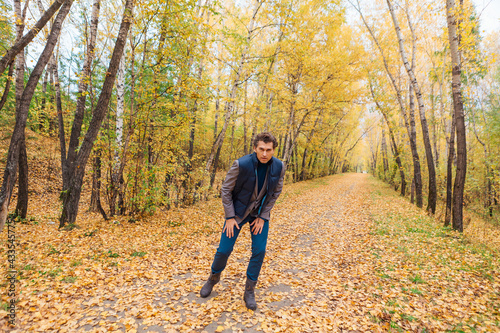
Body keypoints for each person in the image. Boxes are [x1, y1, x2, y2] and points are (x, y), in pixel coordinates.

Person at [200, 132, 286, 310]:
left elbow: (275, 193)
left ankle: (249, 291)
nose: (264, 154)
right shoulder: (241, 164)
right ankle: (213, 278)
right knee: (224, 250)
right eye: (261, 149)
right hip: (237, 213)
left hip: (259, 214)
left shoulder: (279, 167)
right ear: (255, 148)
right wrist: (230, 217)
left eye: (268, 150)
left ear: (273, 150)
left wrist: (263, 216)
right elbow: (225, 190)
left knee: (259, 251)